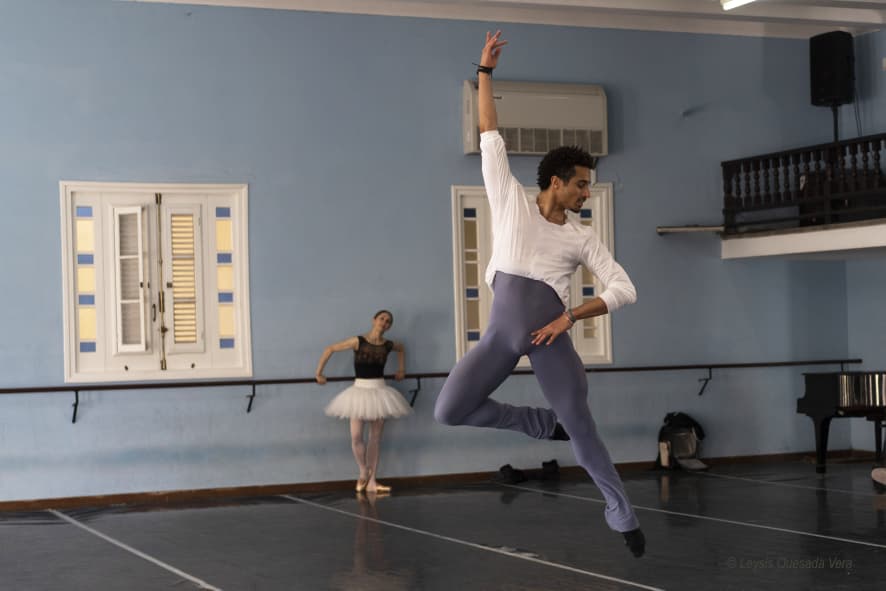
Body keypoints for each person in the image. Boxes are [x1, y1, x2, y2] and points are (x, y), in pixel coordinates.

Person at [434, 31, 645, 557]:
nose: (587, 193)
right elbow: (490, 133)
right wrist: (485, 72)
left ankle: (621, 512)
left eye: (589, 186)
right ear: (555, 181)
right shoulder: (509, 201)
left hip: (550, 343)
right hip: (499, 339)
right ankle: (535, 424)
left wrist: (570, 317)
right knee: (449, 410)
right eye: (581, 185)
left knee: (582, 429)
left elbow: (625, 288)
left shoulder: (581, 237)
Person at [316, 310, 411, 494]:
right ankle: (363, 471)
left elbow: (401, 349)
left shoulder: (388, 345)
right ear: (374, 320)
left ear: (389, 326)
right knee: (356, 437)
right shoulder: (358, 341)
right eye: (382, 318)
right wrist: (318, 373)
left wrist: (402, 370)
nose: (384, 322)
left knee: (375, 438)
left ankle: (373, 481)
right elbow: (330, 349)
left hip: (380, 391)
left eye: (388, 321)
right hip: (359, 391)